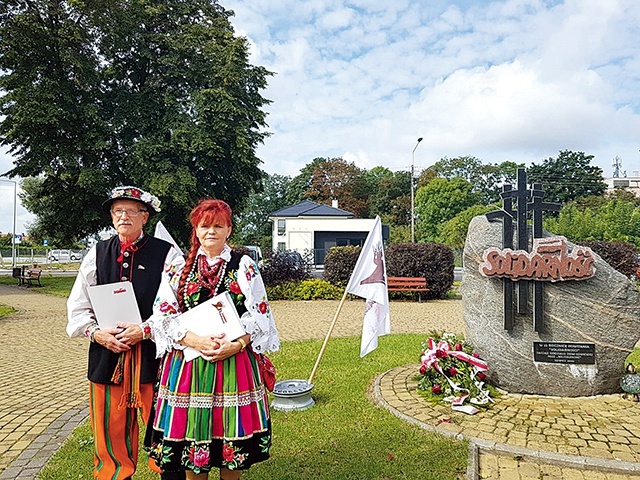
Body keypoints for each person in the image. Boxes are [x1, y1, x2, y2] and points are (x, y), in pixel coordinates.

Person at [145, 199, 280, 480]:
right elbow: (163, 315)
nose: (211, 232)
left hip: (234, 362)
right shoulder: (177, 267)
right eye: (205, 226)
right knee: (195, 436)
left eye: (218, 226)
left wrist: (237, 344)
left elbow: (260, 314)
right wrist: (195, 341)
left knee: (230, 437)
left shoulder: (244, 265)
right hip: (188, 363)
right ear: (195, 229)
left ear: (229, 230)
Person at [67, 186, 185, 480]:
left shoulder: (167, 254)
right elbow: (78, 306)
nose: (123, 217)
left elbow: (179, 304)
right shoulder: (96, 254)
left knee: (164, 430)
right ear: (111, 216)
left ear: (145, 217)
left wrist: (145, 330)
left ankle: (170, 473)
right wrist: (97, 334)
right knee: (110, 433)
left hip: (155, 357)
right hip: (108, 358)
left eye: (131, 211)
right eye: (118, 211)